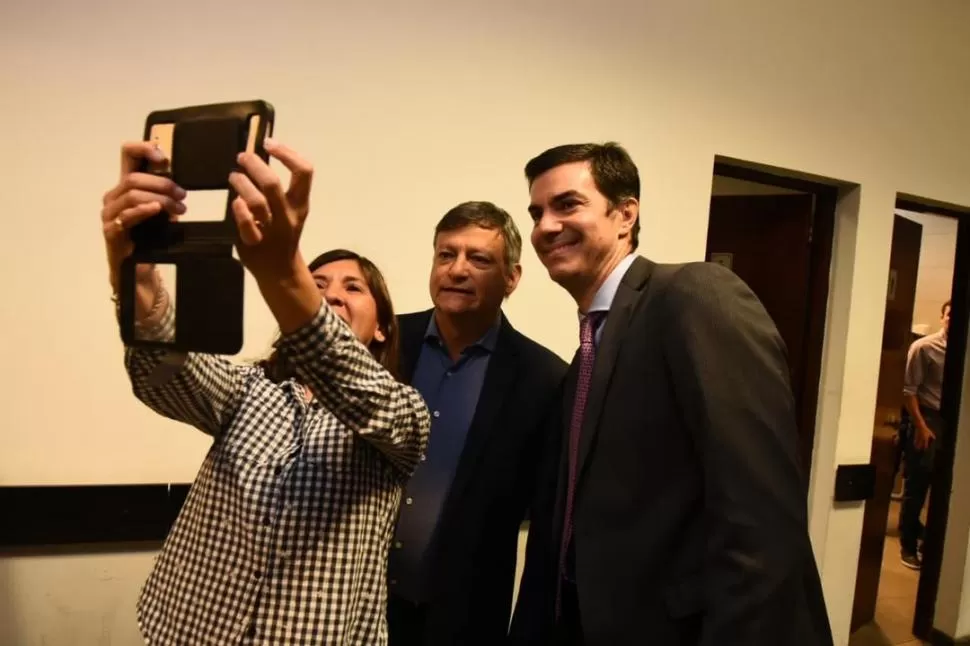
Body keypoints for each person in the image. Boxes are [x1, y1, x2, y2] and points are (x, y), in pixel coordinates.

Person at [100, 139, 431, 645]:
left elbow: (350, 379)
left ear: (383, 327)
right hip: (191, 631)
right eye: (317, 283)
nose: (332, 294)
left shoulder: (404, 415)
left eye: (353, 287)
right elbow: (164, 371)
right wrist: (134, 276)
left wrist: (282, 270)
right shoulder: (248, 389)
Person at [509, 142, 834, 645]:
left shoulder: (693, 295)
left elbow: (761, 522)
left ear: (624, 215)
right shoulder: (586, 356)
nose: (545, 226)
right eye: (537, 212)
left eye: (567, 205)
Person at [386, 201, 568, 645]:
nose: (457, 270)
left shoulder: (544, 379)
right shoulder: (385, 343)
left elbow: (546, 521)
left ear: (512, 278)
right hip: (352, 603)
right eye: (446, 255)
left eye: (479, 259)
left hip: (461, 618)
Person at [899, 300, 950, 569]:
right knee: (917, 486)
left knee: (944, 489)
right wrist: (920, 426)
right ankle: (907, 545)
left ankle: (928, 542)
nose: (952, 320)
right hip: (927, 420)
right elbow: (909, 392)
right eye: (949, 315)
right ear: (942, 317)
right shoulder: (924, 347)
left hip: (951, 423)